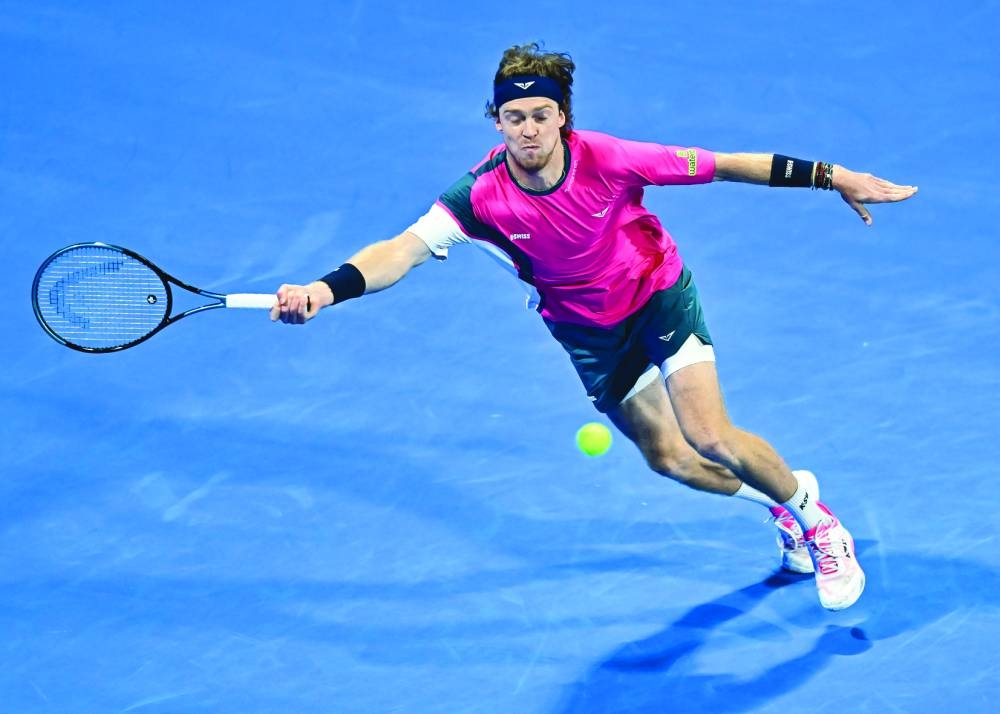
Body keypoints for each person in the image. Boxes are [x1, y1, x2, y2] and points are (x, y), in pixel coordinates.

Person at [271, 43, 917, 611]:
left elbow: (725, 164)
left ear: (563, 118)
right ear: (497, 121)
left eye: (541, 115)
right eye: (514, 117)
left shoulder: (609, 159)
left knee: (708, 434)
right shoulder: (479, 198)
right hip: (589, 334)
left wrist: (832, 177)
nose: (528, 130)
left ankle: (820, 524)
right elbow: (399, 250)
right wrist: (324, 290)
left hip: (657, 293)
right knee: (670, 460)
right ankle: (784, 496)